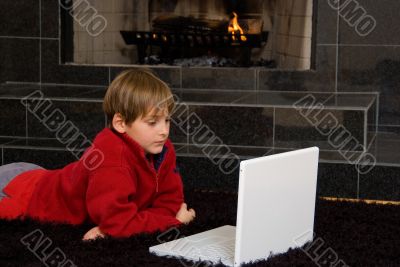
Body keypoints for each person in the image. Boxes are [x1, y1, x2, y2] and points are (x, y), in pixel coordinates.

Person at [0, 68, 195, 240]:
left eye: (167, 120)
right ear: (120, 123)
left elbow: (170, 202)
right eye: (152, 122)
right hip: (24, 192)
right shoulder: (111, 159)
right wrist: (172, 222)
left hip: (40, 176)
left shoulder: (162, 148)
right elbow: (120, 223)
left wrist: (161, 218)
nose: (164, 131)